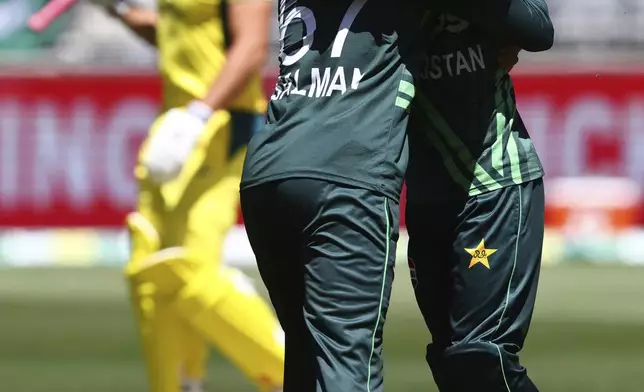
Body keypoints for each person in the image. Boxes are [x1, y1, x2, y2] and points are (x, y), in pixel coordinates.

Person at [239, 0, 425, 390]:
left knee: (307, 358)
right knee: (345, 365)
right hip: (345, 173)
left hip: (269, 170)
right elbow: (530, 27)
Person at [105, 1, 285, 391]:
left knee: (192, 271)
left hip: (219, 128)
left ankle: (296, 376)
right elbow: (177, 37)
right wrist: (117, 9)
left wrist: (198, 115)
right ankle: (180, 384)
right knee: (148, 270)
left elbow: (252, 47)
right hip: (173, 128)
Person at [404, 0, 554, 390]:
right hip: (426, 196)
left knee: (479, 359)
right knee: (451, 364)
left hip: (494, 181)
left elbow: (538, 28)